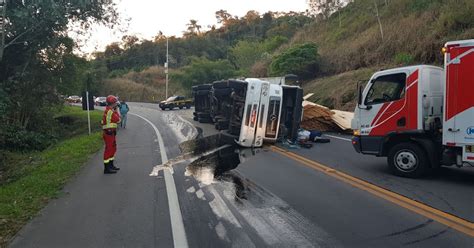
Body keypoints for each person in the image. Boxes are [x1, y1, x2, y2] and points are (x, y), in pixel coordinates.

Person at [101, 95, 121, 174]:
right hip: (109, 133)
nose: (116, 104)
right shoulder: (110, 112)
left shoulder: (109, 110)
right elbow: (119, 120)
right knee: (109, 150)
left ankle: (111, 165)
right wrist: (116, 110)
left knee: (113, 149)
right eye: (115, 103)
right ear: (112, 103)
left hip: (111, 133)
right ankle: (107, 168)